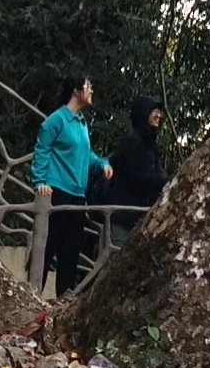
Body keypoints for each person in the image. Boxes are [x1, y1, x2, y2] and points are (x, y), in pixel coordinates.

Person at [31, 74, 111, 298]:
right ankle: (31, 295)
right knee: (46, 248)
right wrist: (40, 182)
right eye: (88, 86)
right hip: (56, 192)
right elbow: (42, 151)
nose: (91, 91)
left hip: (77, 195)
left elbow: (88, 155)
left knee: (70, 252)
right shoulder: (56, 120)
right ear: (76, 91)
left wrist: (103, 164)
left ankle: (62, 303)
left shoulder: (82, 123)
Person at [106, 95, 166, 246]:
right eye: (154, 111)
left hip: (140, 218)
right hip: (123, 216)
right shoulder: (132, 141)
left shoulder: (150, 144)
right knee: (115, 260)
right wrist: (166, 181)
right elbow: (138, 177)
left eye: (159, 111)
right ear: (144, 113)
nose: (159, 115)